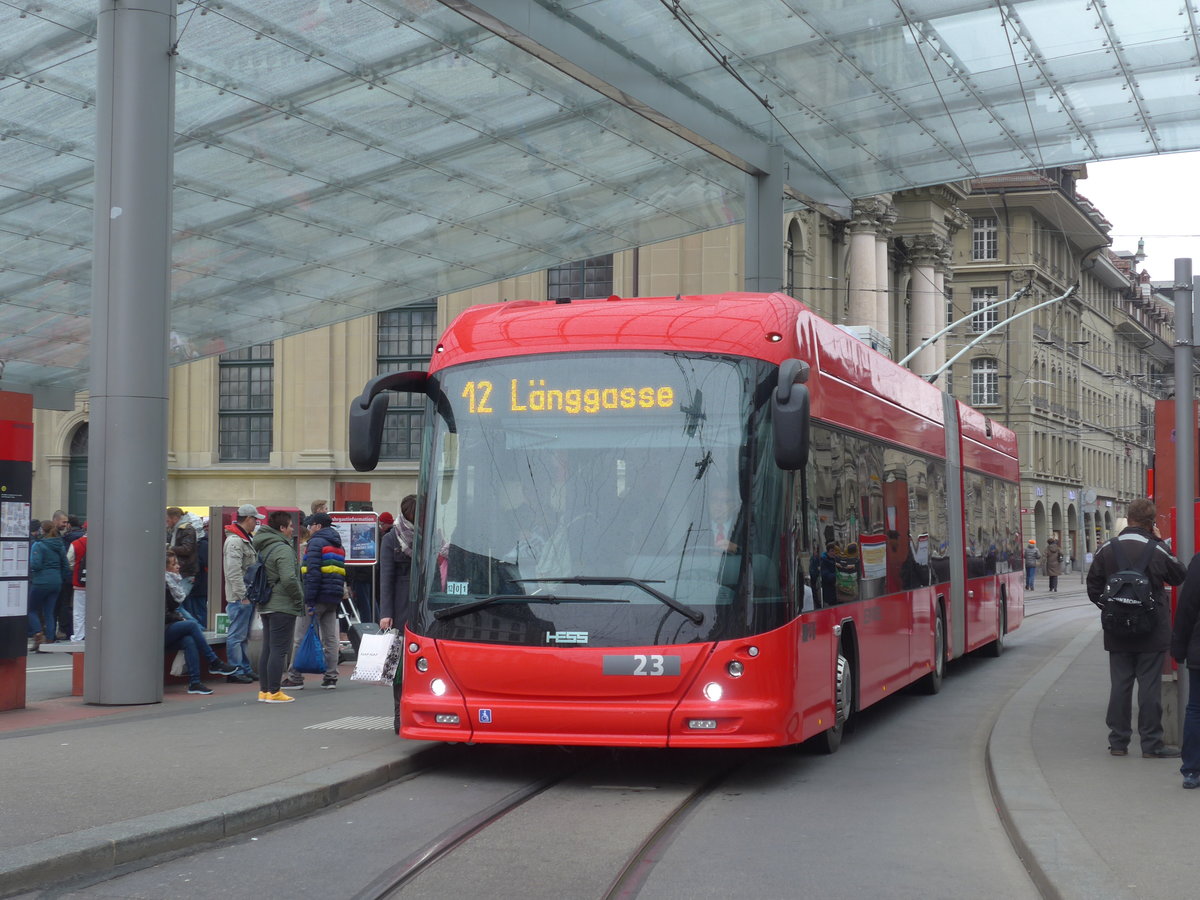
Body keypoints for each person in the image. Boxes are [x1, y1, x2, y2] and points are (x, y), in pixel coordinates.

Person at [1086, 498, 1186, 758]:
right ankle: (1151, 745)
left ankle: (1118, 743)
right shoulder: (1157, 548)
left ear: (1128, 518)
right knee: (1149, 687)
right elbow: (1179, 576)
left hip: (1117, 632)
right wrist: (1161, 542)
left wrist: (1112, 612)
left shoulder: (1107, 548)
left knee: (1120, 685)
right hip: (1152, 631)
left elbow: (1093, 587)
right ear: (1151, 522)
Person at [282, 512, 345, 690]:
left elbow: (312, 573)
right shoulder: (338, 544)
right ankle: (331, 677)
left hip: (316, 597)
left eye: (310, 525)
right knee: (331, 639)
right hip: (332, 598)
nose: (308, 528)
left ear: (317, 526)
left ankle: (295, 677)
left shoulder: (316, 543)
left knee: (300, 637)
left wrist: (308, 599)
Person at [164, 550, 238, 695]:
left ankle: (195, 682)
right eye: (174, 564)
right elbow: (163, 614)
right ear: (165, 568)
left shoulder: (173, 583)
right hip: (160, 630)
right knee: (191, 625)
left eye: (177, 563)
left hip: (168, 627)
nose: (178, 566)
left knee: (189, 640)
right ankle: (214, 662)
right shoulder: (164, 585)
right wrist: (179, 618)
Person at [252, 510, 304, 703]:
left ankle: (264, 691)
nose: (292, 530)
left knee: (268, 648)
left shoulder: (263, 546)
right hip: (282, 604)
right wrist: (299, 598)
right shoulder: (283, 549)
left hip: (266, 603)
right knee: (279, 649)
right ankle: (275, 691)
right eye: (290, 526)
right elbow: (289, 578)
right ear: (282, 528)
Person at [221, 504, 264, 683]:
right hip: (241, 597)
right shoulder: (235, 541)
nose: (256, 523)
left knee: (242, 635)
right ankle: (236, 670)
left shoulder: (241, 539)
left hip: (244, 595)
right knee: (237, 635)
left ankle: (243, 668)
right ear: (248, 519)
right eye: (255, 519)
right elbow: (233, 572)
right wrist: (243, 595)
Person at [28, 520, 69, 648]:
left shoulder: (38, 545)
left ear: (42, 530)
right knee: (49, 612)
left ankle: (38, 633)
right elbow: (65, 565)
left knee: (31, 609)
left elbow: (35, 564)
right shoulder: (59, 545)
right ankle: (50, 640)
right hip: (56, 582)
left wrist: (35, 574)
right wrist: (59, 577)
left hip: (40, 581)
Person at [379, 495, 416, 632]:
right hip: (401, 601)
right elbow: (386, 578)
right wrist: (386, 613)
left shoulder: (430, 534)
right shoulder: (391, 538)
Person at [166, 507, 199, 597]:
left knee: (178, 602)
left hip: (186, 572)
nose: (166, 523)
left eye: (167, 520)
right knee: (178, 602)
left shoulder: (187, 529)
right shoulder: (175, 530)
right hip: (180, 571)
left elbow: (187, 549)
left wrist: (169, 547)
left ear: (175, 518)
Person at [66, 524, 87, 642]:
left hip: (80, 582)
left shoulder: (76, 543)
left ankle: (78, 636)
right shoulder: (103, 543)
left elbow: (69, 561)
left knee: (79, 611)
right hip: (99, 584)